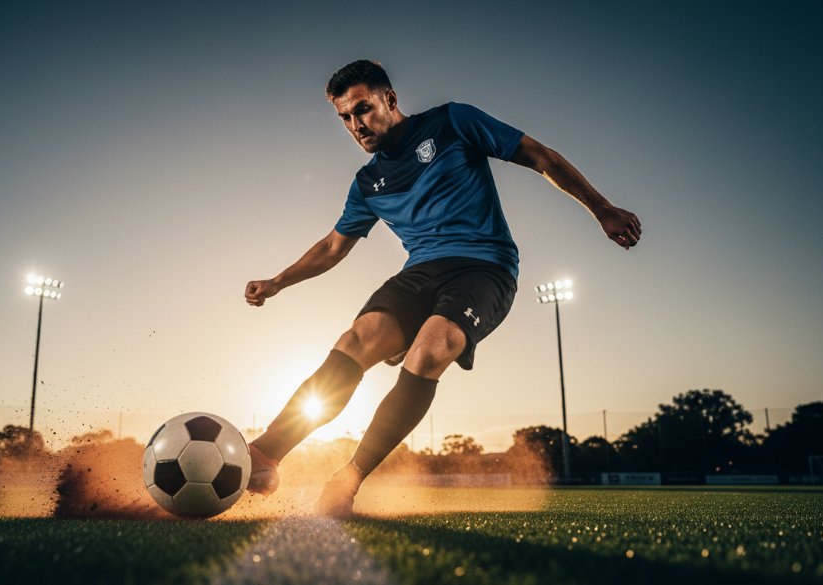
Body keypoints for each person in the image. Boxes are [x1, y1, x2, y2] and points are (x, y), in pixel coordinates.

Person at [243, 60, 641, 517]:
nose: (357, 125)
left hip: (484, 269)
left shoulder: (453, 122)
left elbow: (540, 156)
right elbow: (334, 246)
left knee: (432, 349)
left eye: (364, 109)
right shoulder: (367, 183)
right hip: (420, 273)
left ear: (390, 99)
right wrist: (277, 282)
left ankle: (348, 478)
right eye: (346, 118)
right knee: (355, 342)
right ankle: (266, 455)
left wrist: (602, 208)